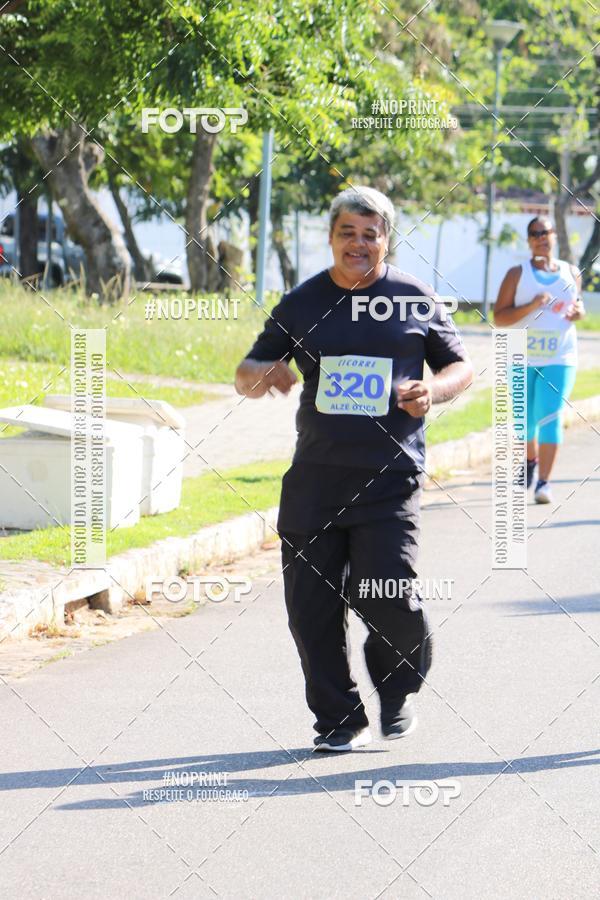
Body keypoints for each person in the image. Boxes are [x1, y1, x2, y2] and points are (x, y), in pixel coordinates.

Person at [235, 186, 473, 752]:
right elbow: (248, 369)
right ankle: (340, 720)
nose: (359, 244)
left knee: (390, 595)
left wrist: (432, 391)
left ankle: (396, 690)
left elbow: (460, 366)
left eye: (372, 234)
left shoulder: (414, 298)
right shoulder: (302, 301)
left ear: (386, 240)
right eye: (349, 233)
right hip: (315, 480)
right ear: (332, 237)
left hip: (390, 478)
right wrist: (260, 376)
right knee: (310, 612)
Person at [494, 216, 585, 504]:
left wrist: (579, 314)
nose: (540, 238)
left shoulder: (571, 272)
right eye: (534, 234)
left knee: (549, 417)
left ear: (555, 235)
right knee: (525, 424)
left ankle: (544, 483)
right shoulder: (517, 274)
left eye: (545, 232)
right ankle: (530, 461)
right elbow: (499, 317)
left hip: (560, 357)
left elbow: (577, 306)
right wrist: (532, 305)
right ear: (528, 240)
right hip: (522, 357)